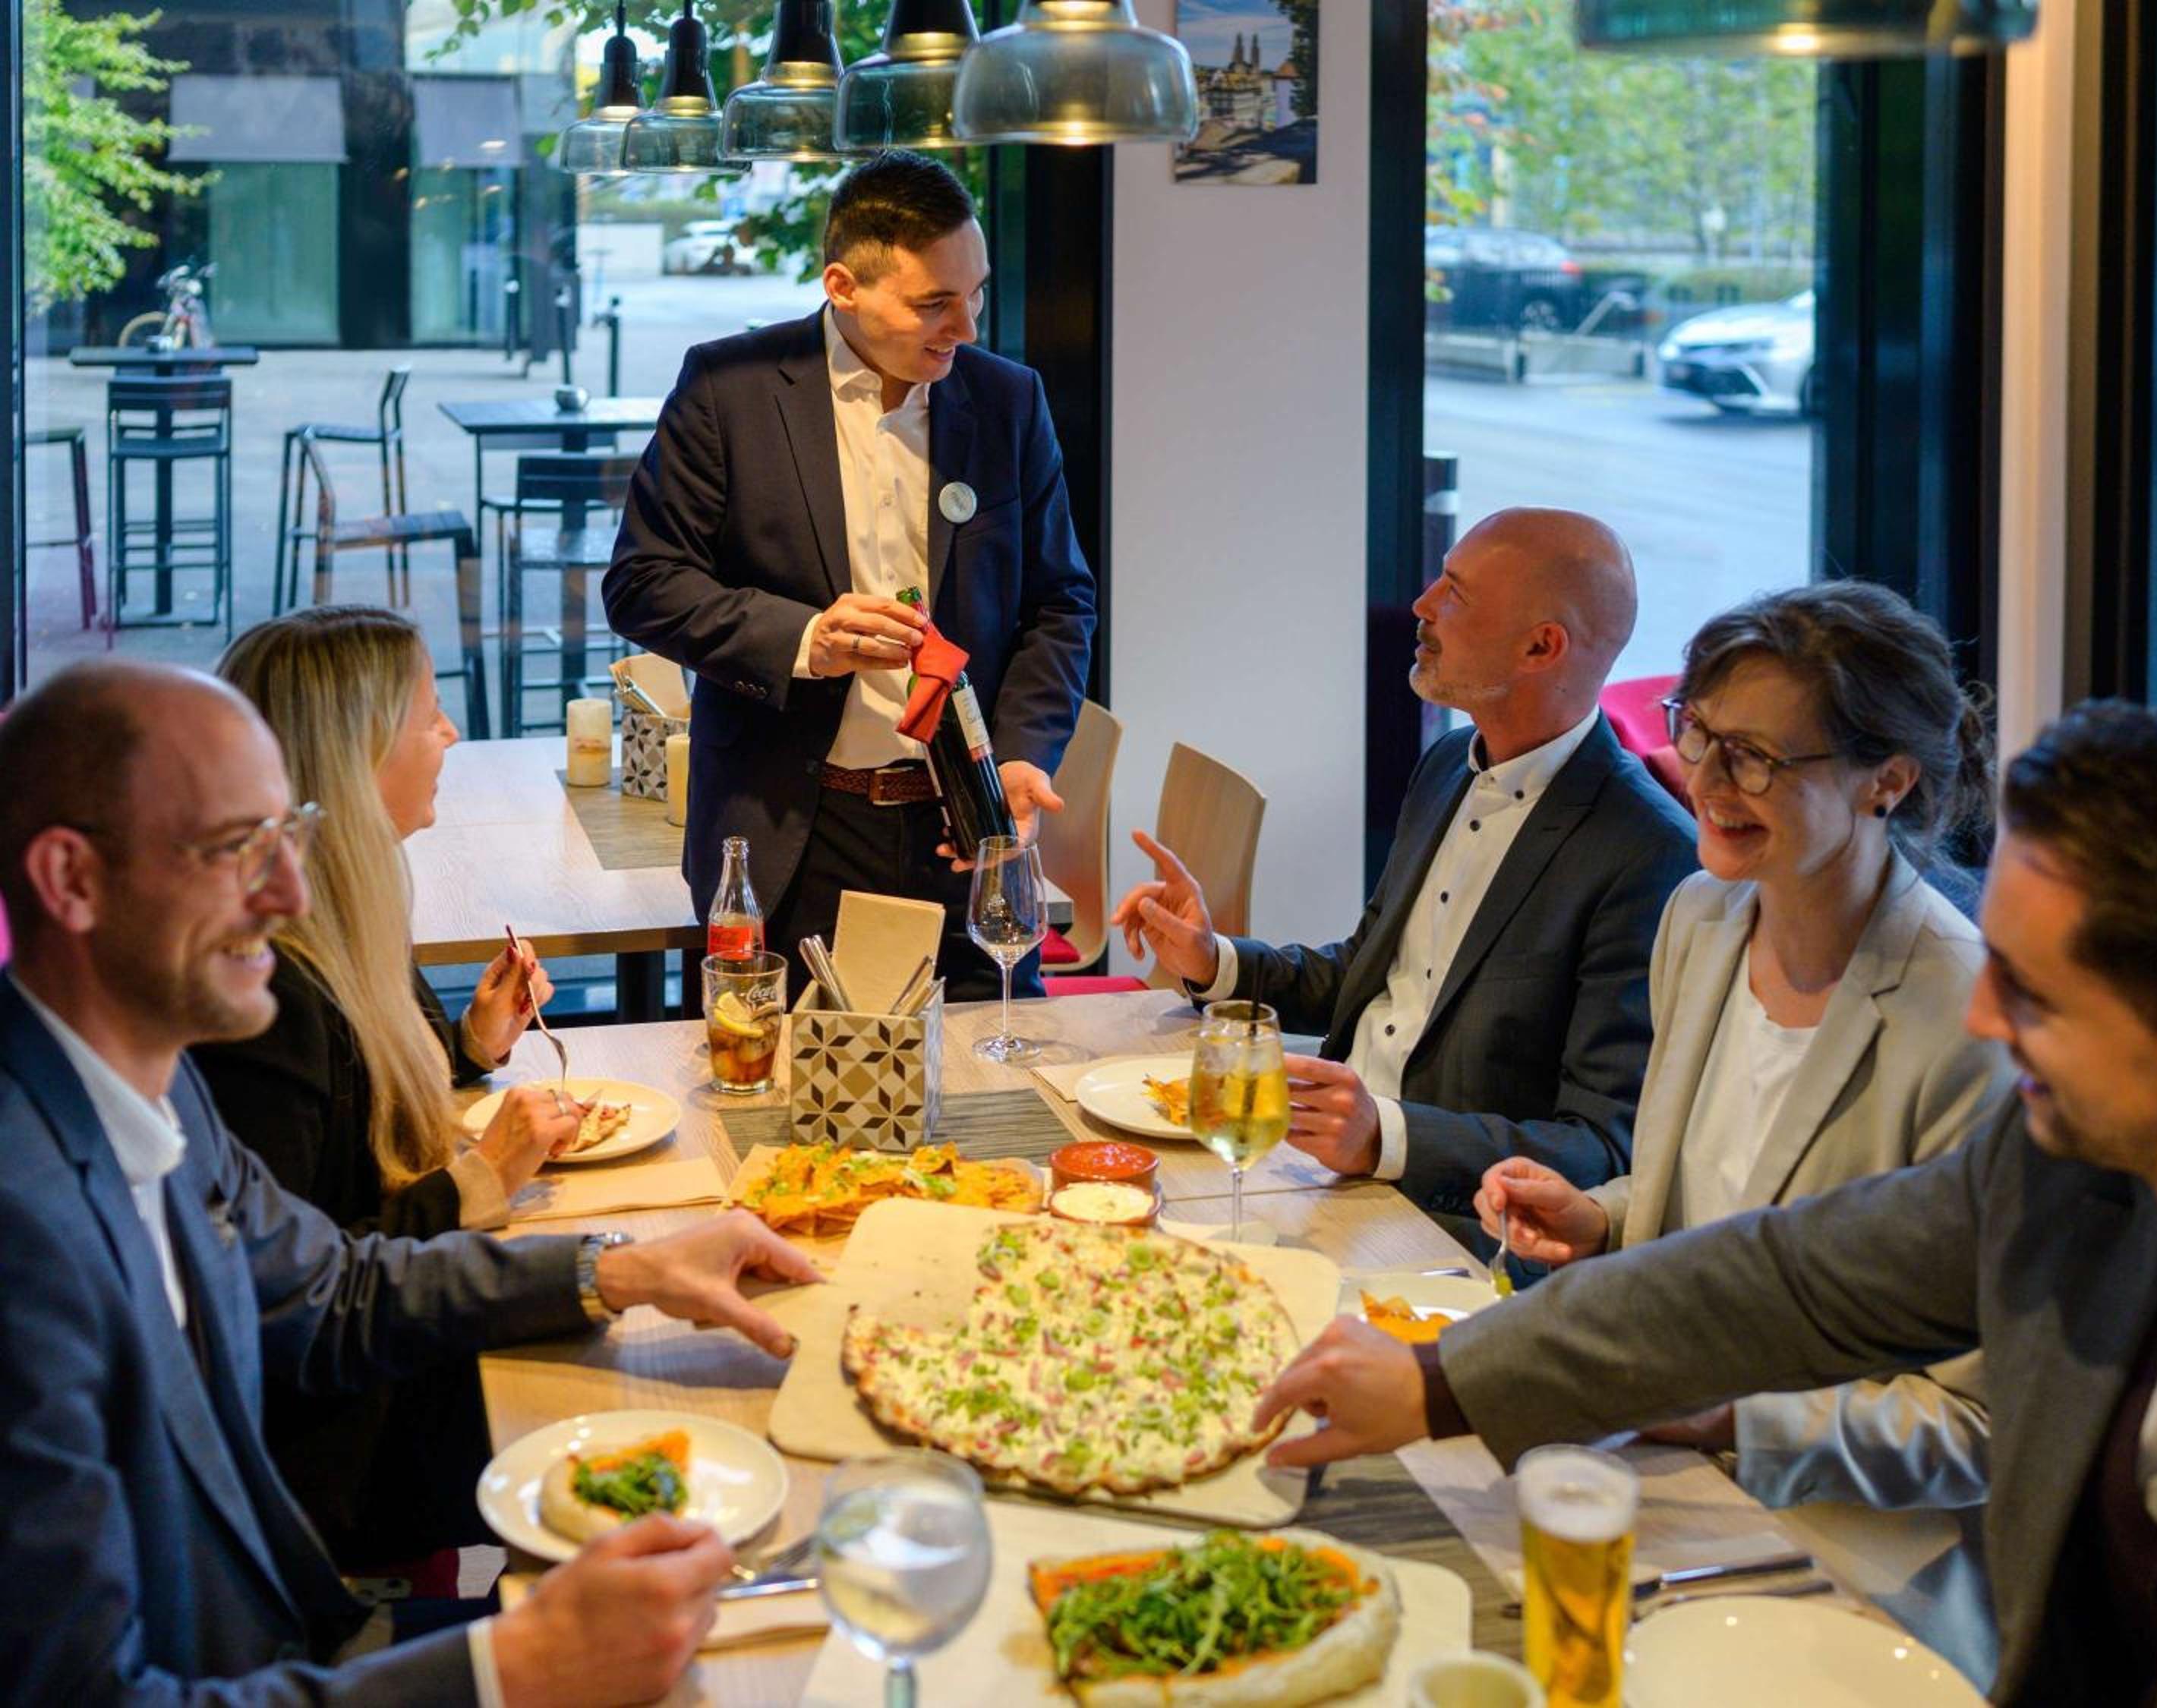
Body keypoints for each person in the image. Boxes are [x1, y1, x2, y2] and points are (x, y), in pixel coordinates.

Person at [1254, 700, 2157, 1707]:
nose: (1980, 1015)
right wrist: (1441, 1381)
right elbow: (1780, 1277)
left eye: (2033, 995)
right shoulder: (2067, 1173)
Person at [0, 659, 825, 1704]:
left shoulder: (146, 1087)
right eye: (237, 849)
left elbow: (329, 1288)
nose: (290, 892)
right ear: (71, 879)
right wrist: (507, 1667)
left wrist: (622, 1269)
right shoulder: (23, 1239)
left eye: (288, 835)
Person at [1469, 582, 2014, 1678]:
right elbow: (1723, 1204)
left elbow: (1977, 1424)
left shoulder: (1963, 1016)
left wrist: (1733, 1417)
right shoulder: (1704, 917)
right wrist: (1602, 1218)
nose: (1707, 782)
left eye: (1756, 757)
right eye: (1700, 733)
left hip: (1850, 1566)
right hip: (1660, 1471)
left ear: (1887, 780)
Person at [1112, 508, 1696, 1239]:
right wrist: (1214, 959)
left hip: (1442, 1222)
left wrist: (1385, 1137)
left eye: (1456, 592)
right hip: (1314, 1169)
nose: (1422, 605)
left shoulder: (1649, 853)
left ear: (1541, 647)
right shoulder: (1449, 763)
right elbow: (1368, 975)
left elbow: (1601, 1151)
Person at [604, 148, 1096, 1003]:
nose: (967, 327)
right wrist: (805, 640)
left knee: (990, 1068)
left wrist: (1020, 755)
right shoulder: (730, 389)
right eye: (934, 304)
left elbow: (1060, 601)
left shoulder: (1007, 401)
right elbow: (643, 581)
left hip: (966, 831)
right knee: (784, 1081)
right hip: (794, 831)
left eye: (976, 294)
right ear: (843, 287)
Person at [189, 607, 570, 1567]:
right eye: (429, 714)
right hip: (349, 1457)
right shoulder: (268, 990)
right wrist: (480, 1180)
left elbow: (353, 1103)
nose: (451, 733)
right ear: (354, 753)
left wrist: (470, 1046)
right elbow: (305, 1293)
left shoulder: (344, 906)